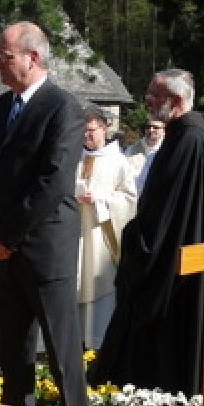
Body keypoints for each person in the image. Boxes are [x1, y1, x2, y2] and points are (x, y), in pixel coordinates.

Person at [0, 21, 91, 406]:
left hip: (44, 246)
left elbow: (53, 179)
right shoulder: (0, 109)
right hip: (4, 245)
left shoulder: (62, 107)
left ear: (32, 57)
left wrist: (9, 233)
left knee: (61, 346)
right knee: (13, 347)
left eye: (4, 55)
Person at [91, 69, 204, 398]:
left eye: (154, 96)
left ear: (175, 101)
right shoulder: (183, 135)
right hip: (172, 248)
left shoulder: (187, 140)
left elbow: (167, 210)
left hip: (168, 256)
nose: (147, 102)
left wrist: (139, 241)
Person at [75, 103, 139, 349]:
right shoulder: (75, 158)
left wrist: (100, 200)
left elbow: (129, 199)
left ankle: (99, 343)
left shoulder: (119, 161)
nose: (86, 135)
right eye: (83, 130)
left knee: (99, 285)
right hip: (76, 234)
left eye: (91, 130)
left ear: (104, 129)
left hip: (102, 236)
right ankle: (76, 341)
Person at [124, 117, 166, 191]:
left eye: (156, 127)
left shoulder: (166, 149)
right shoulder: (131, 149)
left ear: (164, 131)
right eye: (148, 127)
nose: (151, 130)